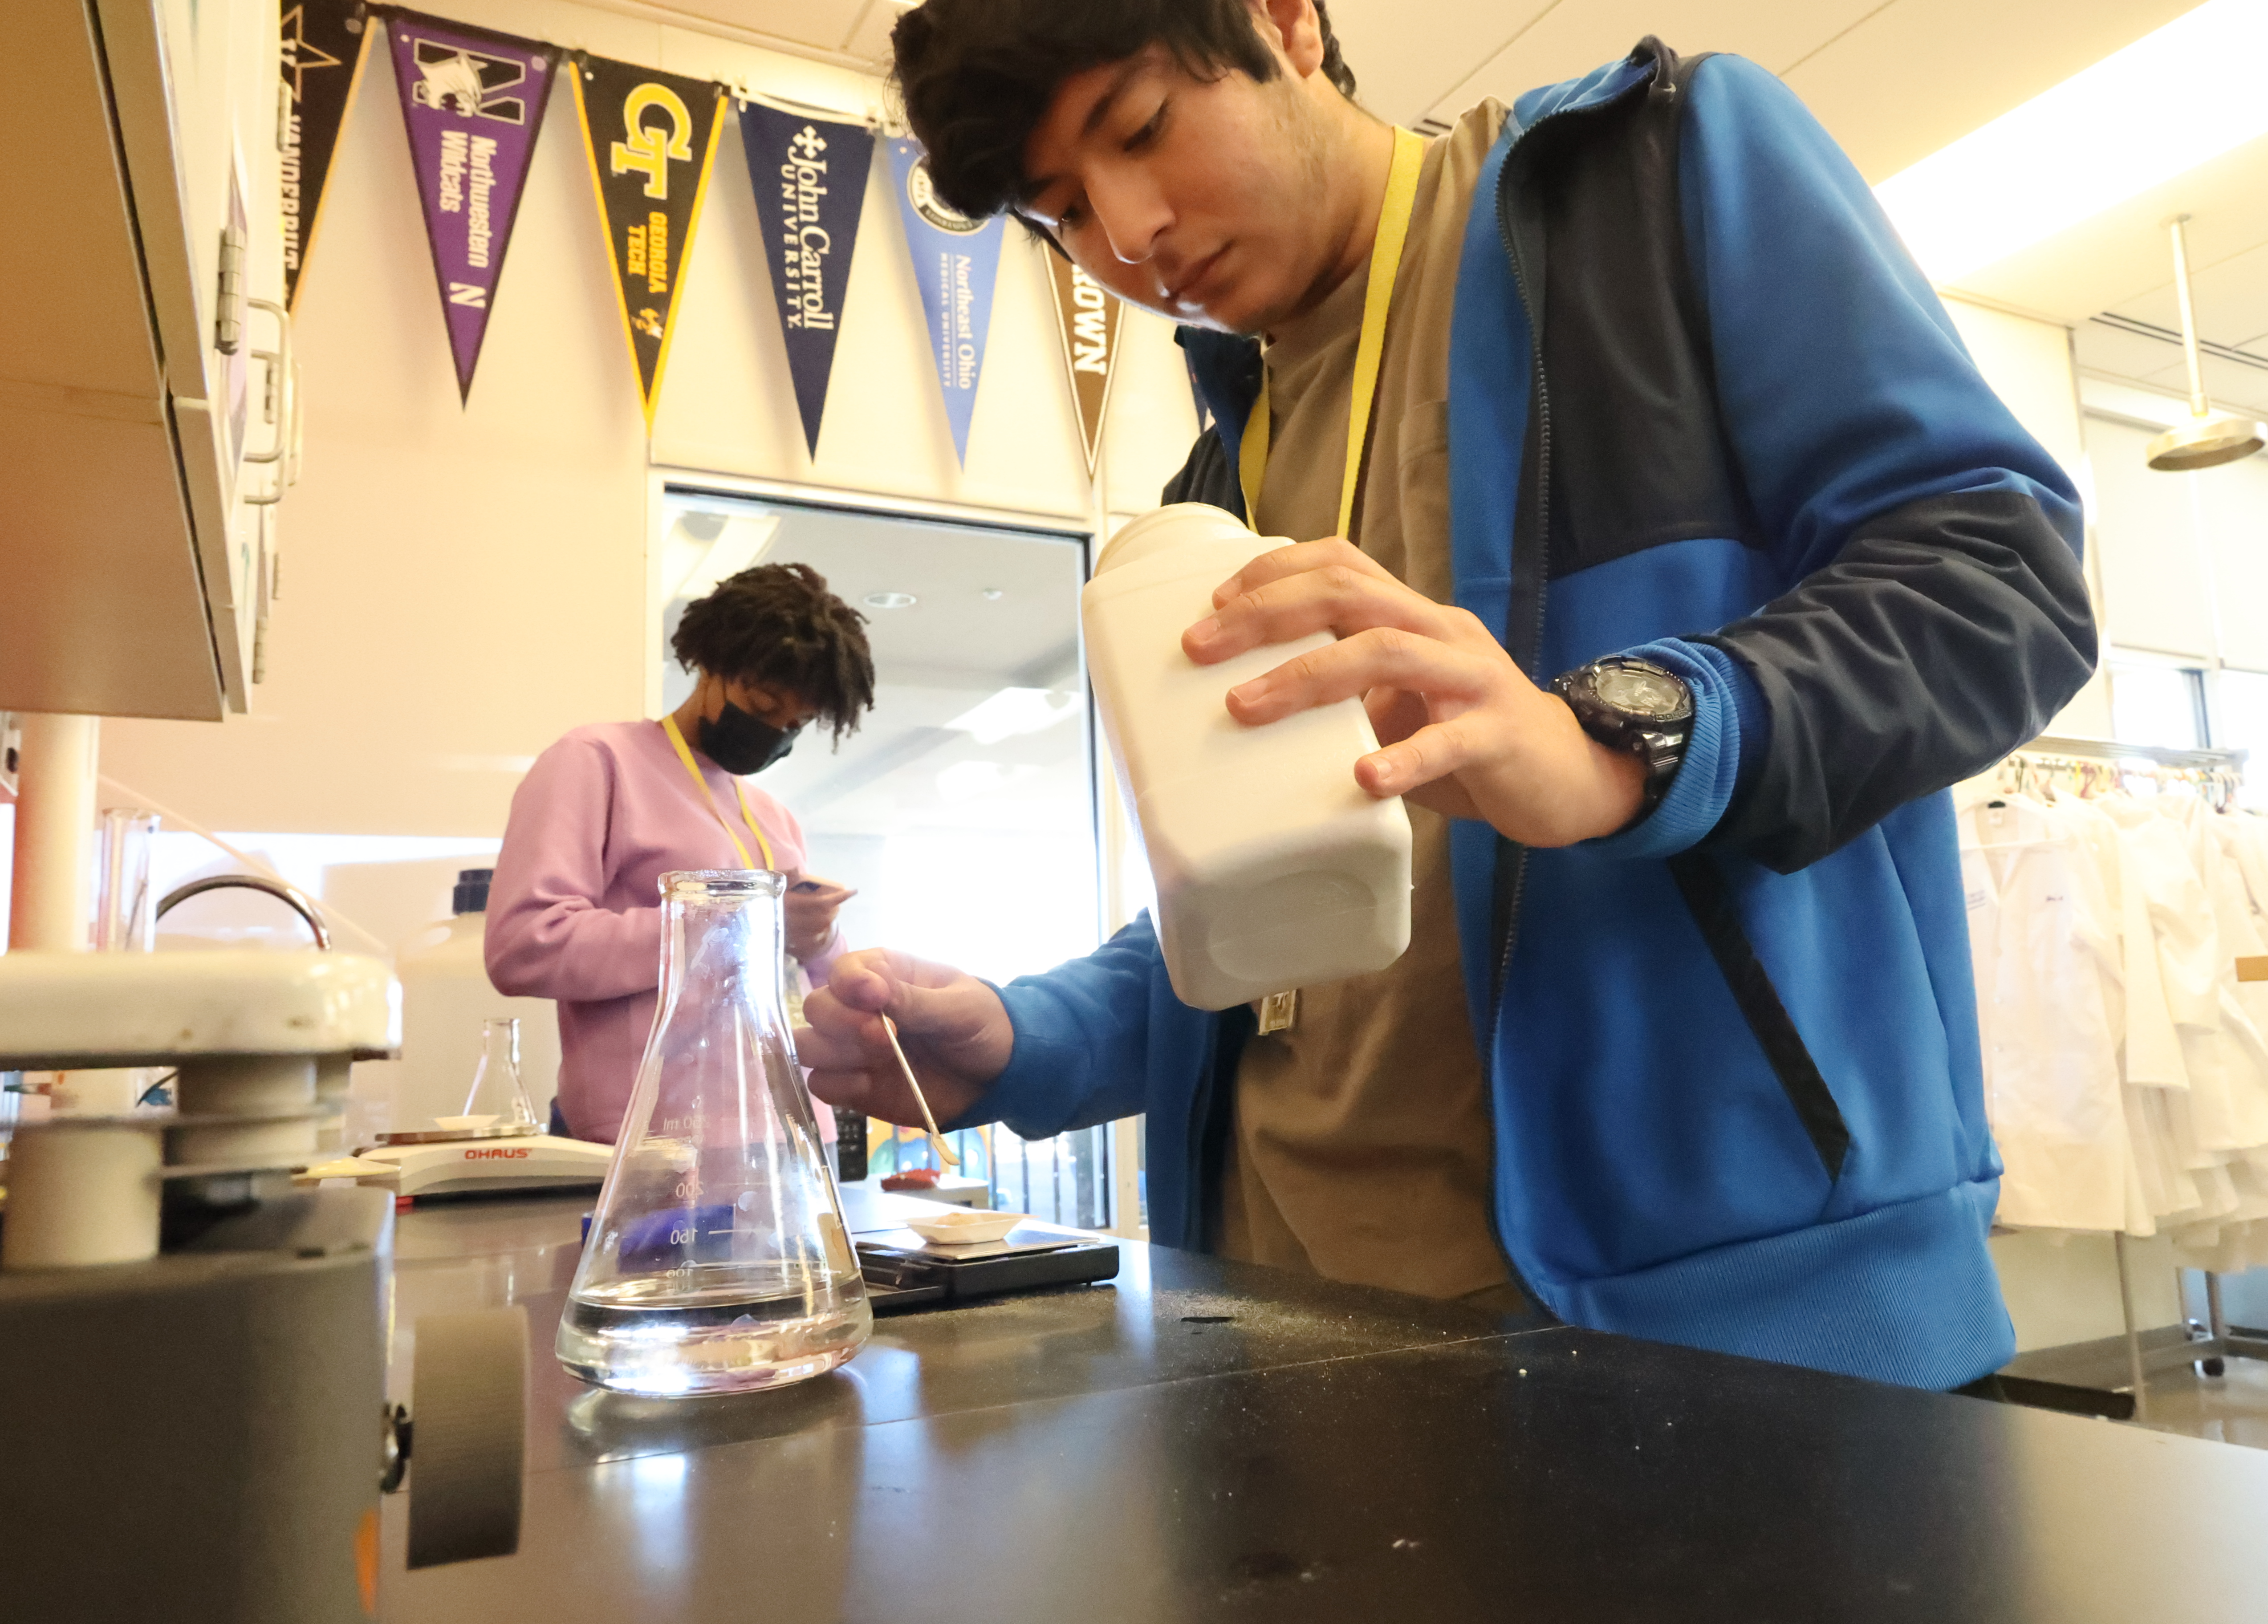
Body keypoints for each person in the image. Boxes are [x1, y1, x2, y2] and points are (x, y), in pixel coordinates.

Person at [797, 0, 2097, 1390]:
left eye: (1140, 128)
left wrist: (1626, 740)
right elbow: (1278, 902)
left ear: (1285, 25)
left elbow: (1998, 573)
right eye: (1062, 210)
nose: (1130, 232)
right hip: (1280, 1319)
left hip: (1715, 1325)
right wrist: (1023, 1039)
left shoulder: (1649, 172)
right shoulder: (1216, 488)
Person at [488, 563, 877, 1143]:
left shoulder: (773, 816)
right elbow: (525, 946)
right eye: (764, 704)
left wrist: (821, 942)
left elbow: (811, 980)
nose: (777, 731)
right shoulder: (597, 761)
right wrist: (742, 922)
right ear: (712, 663)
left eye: (797, 722)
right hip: (651, 1144)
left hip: (786, 1136)